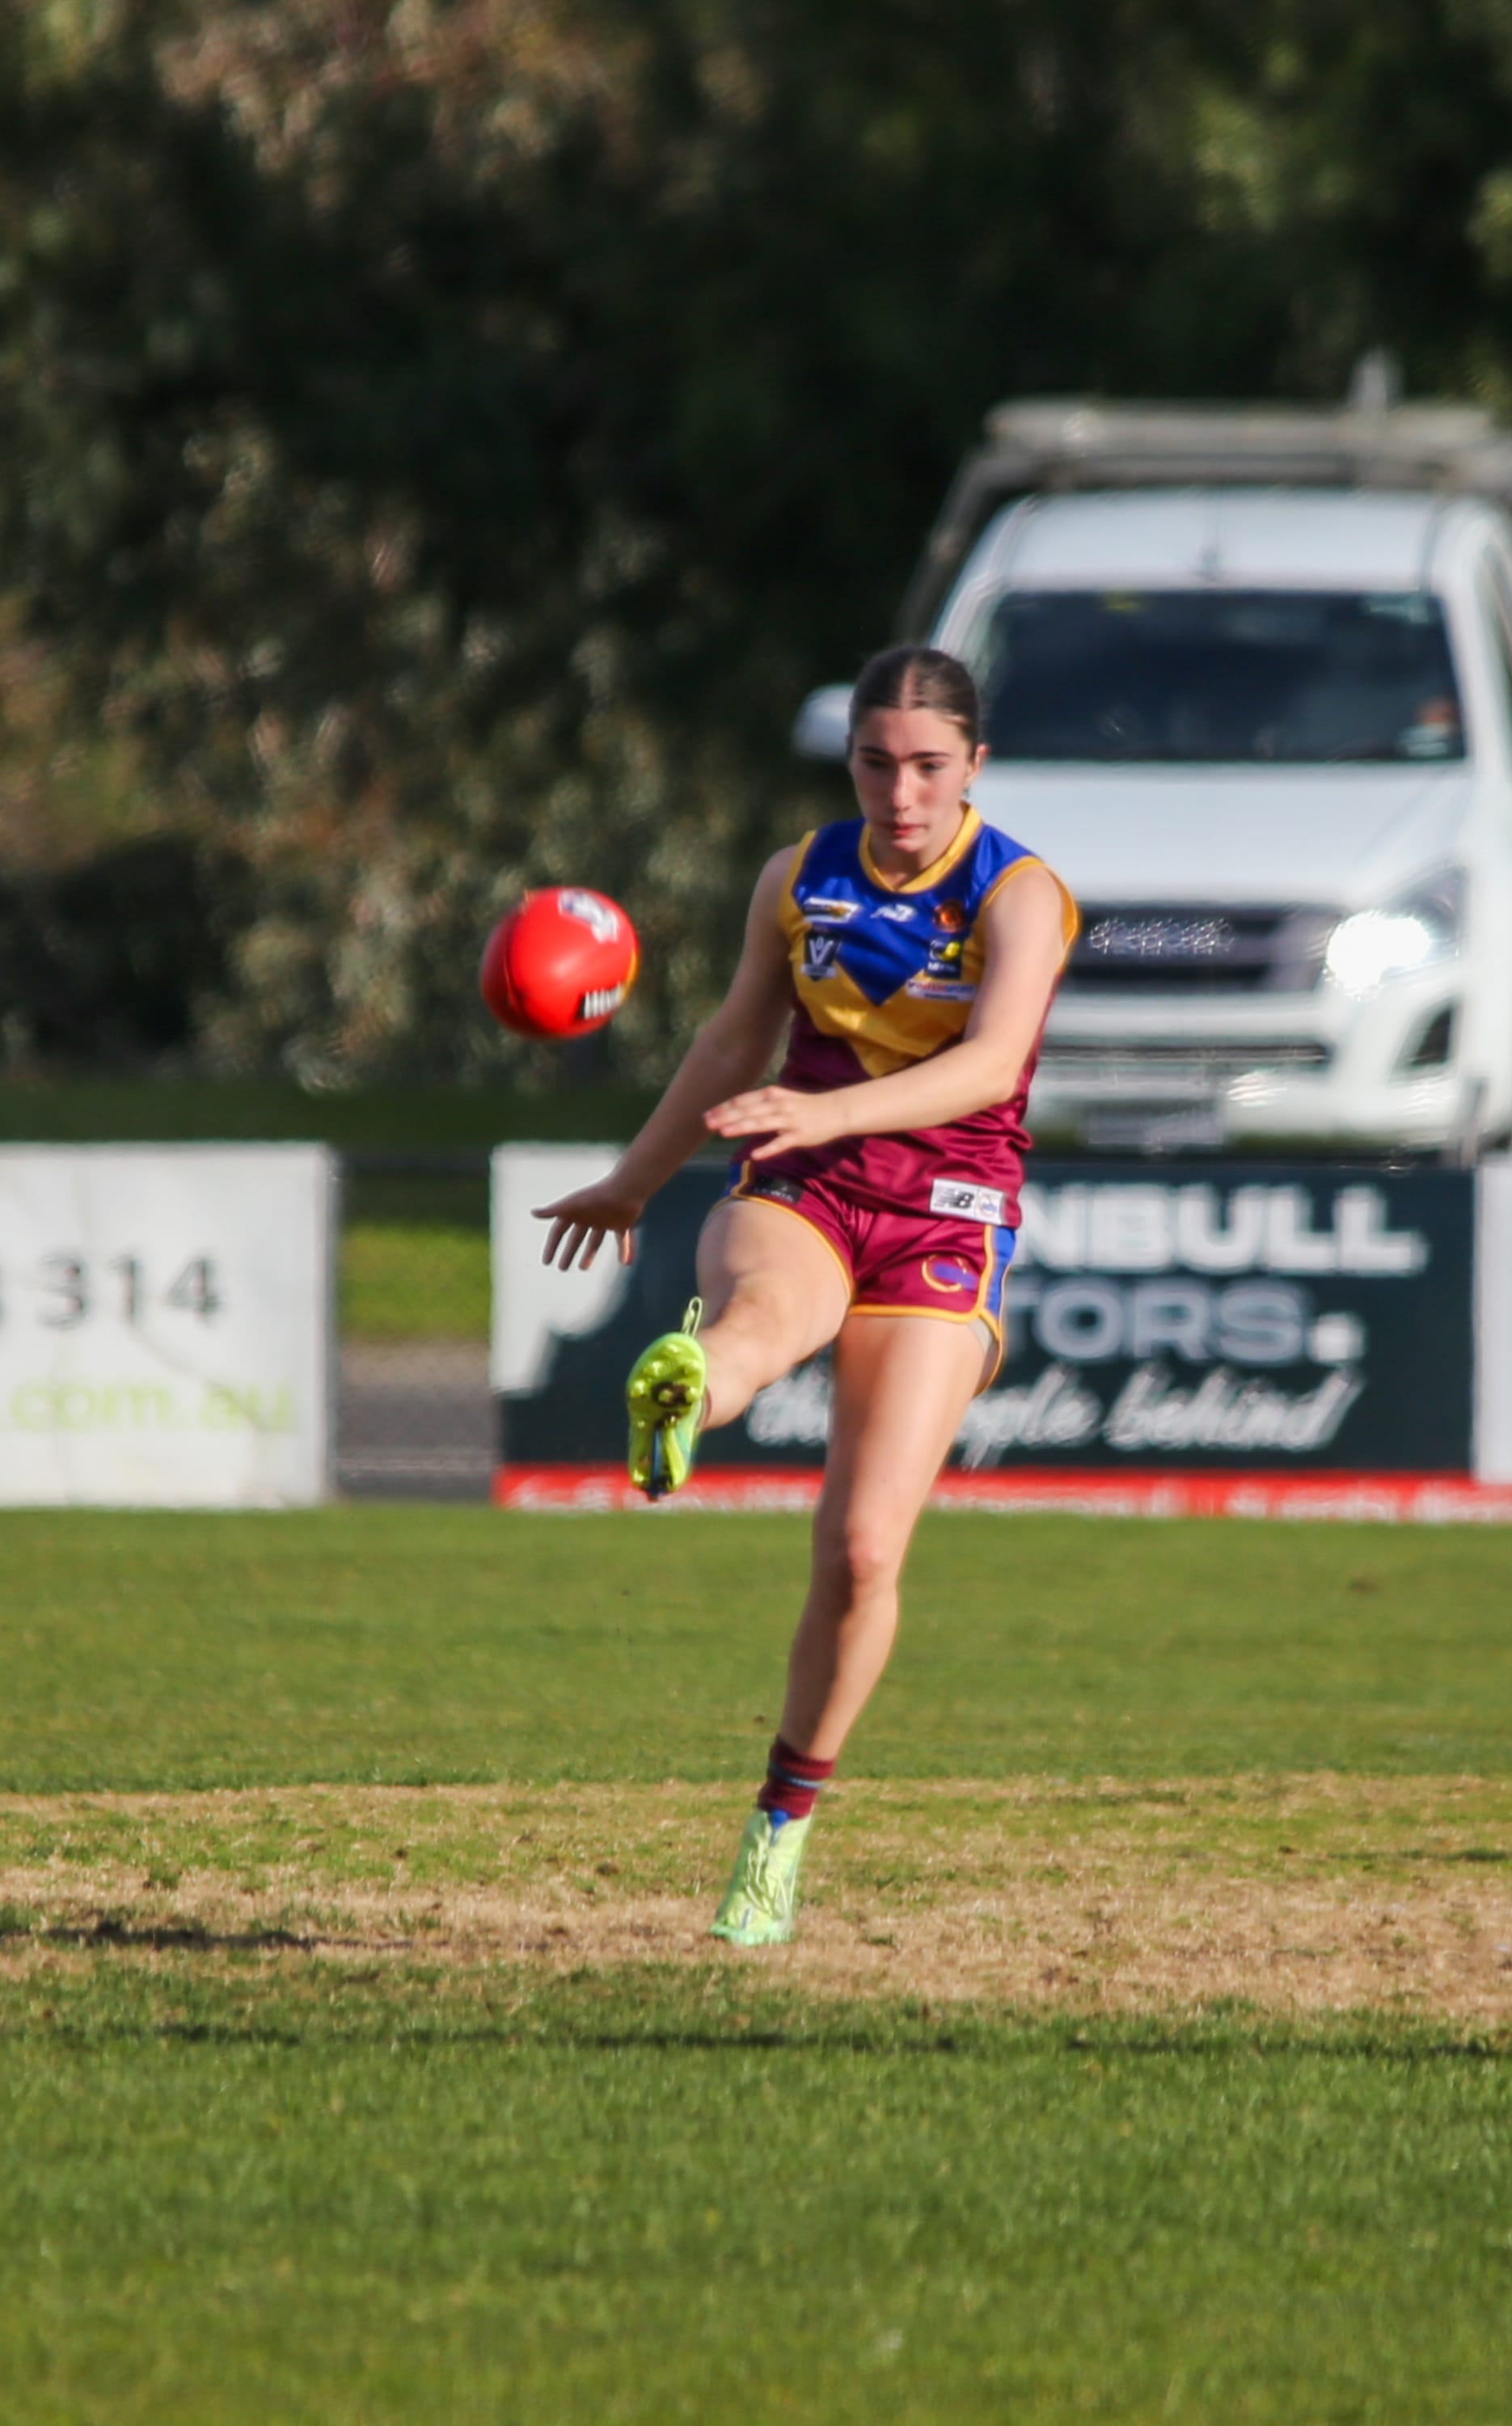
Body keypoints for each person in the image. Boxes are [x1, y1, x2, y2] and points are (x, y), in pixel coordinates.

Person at [535, 645, 1078, 1946]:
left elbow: (992, 1066)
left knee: (861, 1551)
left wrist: (833, 1099)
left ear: (975, 767)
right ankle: (690, 1393)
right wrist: (633, 1180)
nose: (902, 793)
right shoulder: (800, 876)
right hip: (806, 1175)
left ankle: (779, 1829)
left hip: (947, 1212)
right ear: (850, 762)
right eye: (878, 764)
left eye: (930, 767)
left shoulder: (1022, 894)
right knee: (758, 1327)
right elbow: (732, 1040)